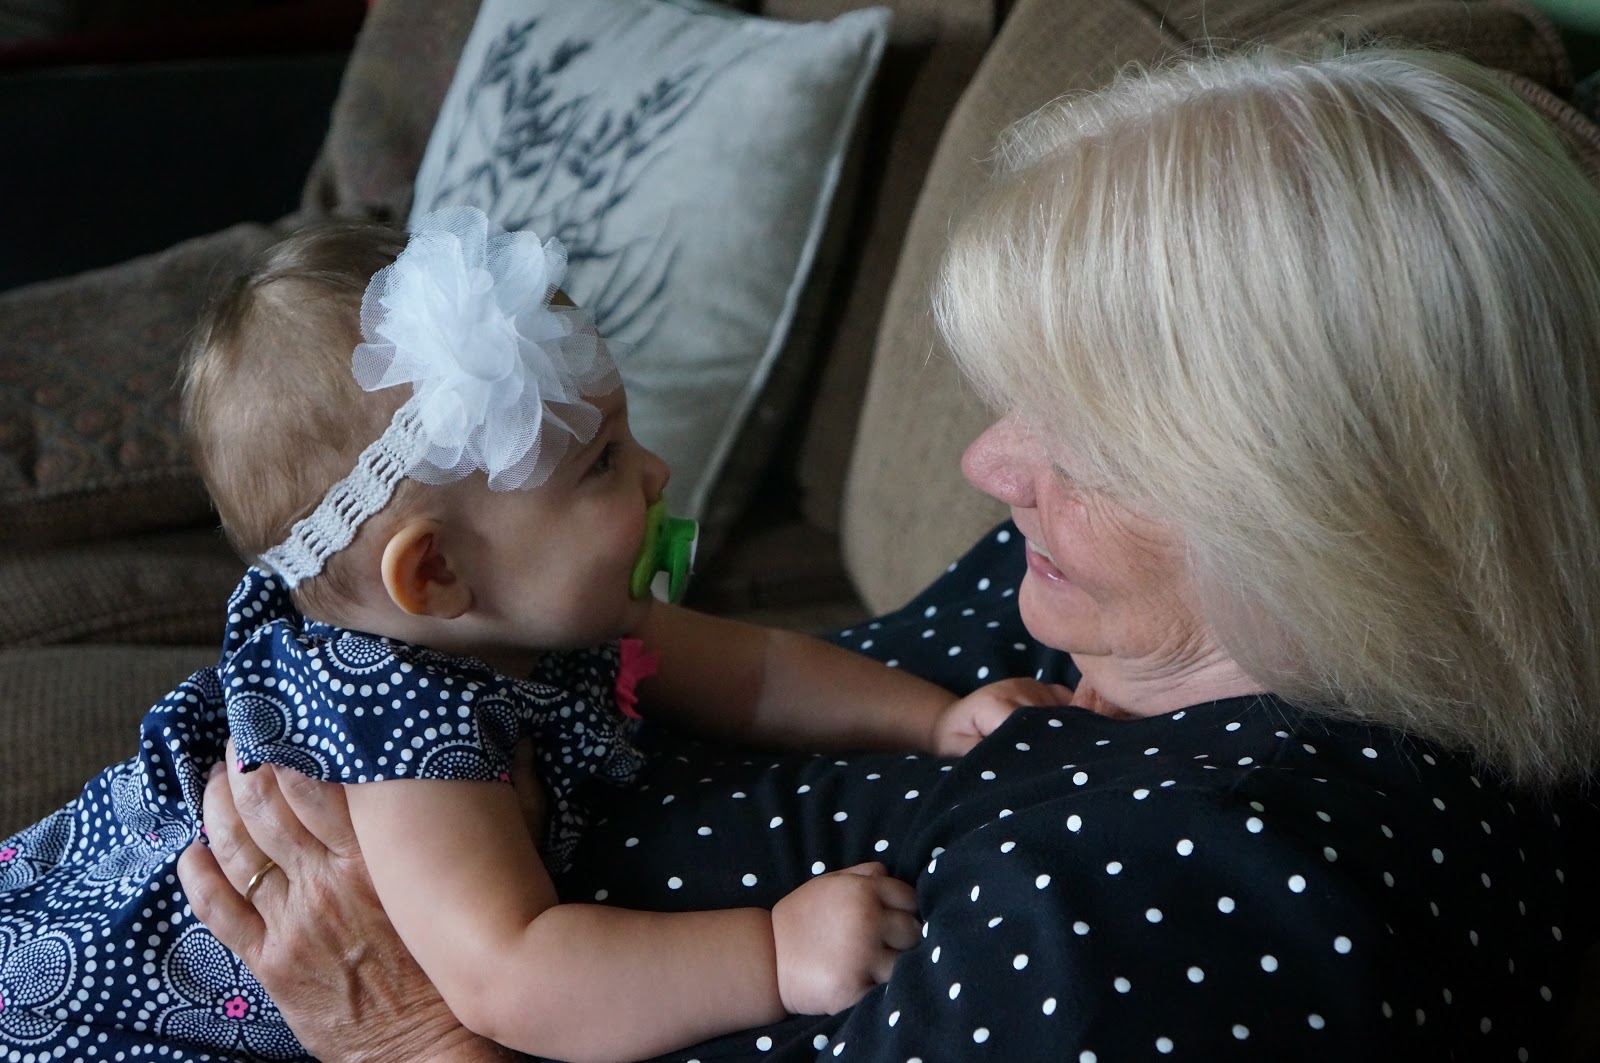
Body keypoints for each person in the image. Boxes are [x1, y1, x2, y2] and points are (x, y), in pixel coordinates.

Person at [178, 43, 1600, 1062]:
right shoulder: (1111, 597)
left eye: (1083, 435)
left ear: (1314, 513)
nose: (988, 466)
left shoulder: (1187, 908)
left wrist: (401, 1032)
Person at [0, 206, 1068, 1063]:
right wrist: (773, 951)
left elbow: (753, 671)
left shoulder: (531, 611)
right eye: (600, 462)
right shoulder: (400, 734)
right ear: (436, 572)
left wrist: (933, 721)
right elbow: (511, 975)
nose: (655, 472)